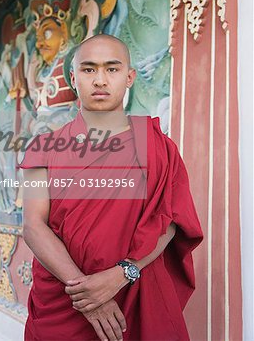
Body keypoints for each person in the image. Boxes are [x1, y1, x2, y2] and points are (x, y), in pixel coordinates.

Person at [18, 34, 204, 341]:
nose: (100, 80)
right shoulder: (44, 147)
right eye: (89, 70)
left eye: (112, 69)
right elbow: (33, 226)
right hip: (64, 301)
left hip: (135, 293)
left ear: (129, 77)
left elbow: (169, 222)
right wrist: (88, 295)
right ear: (74, 78)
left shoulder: (158, 146)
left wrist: (121, 274)